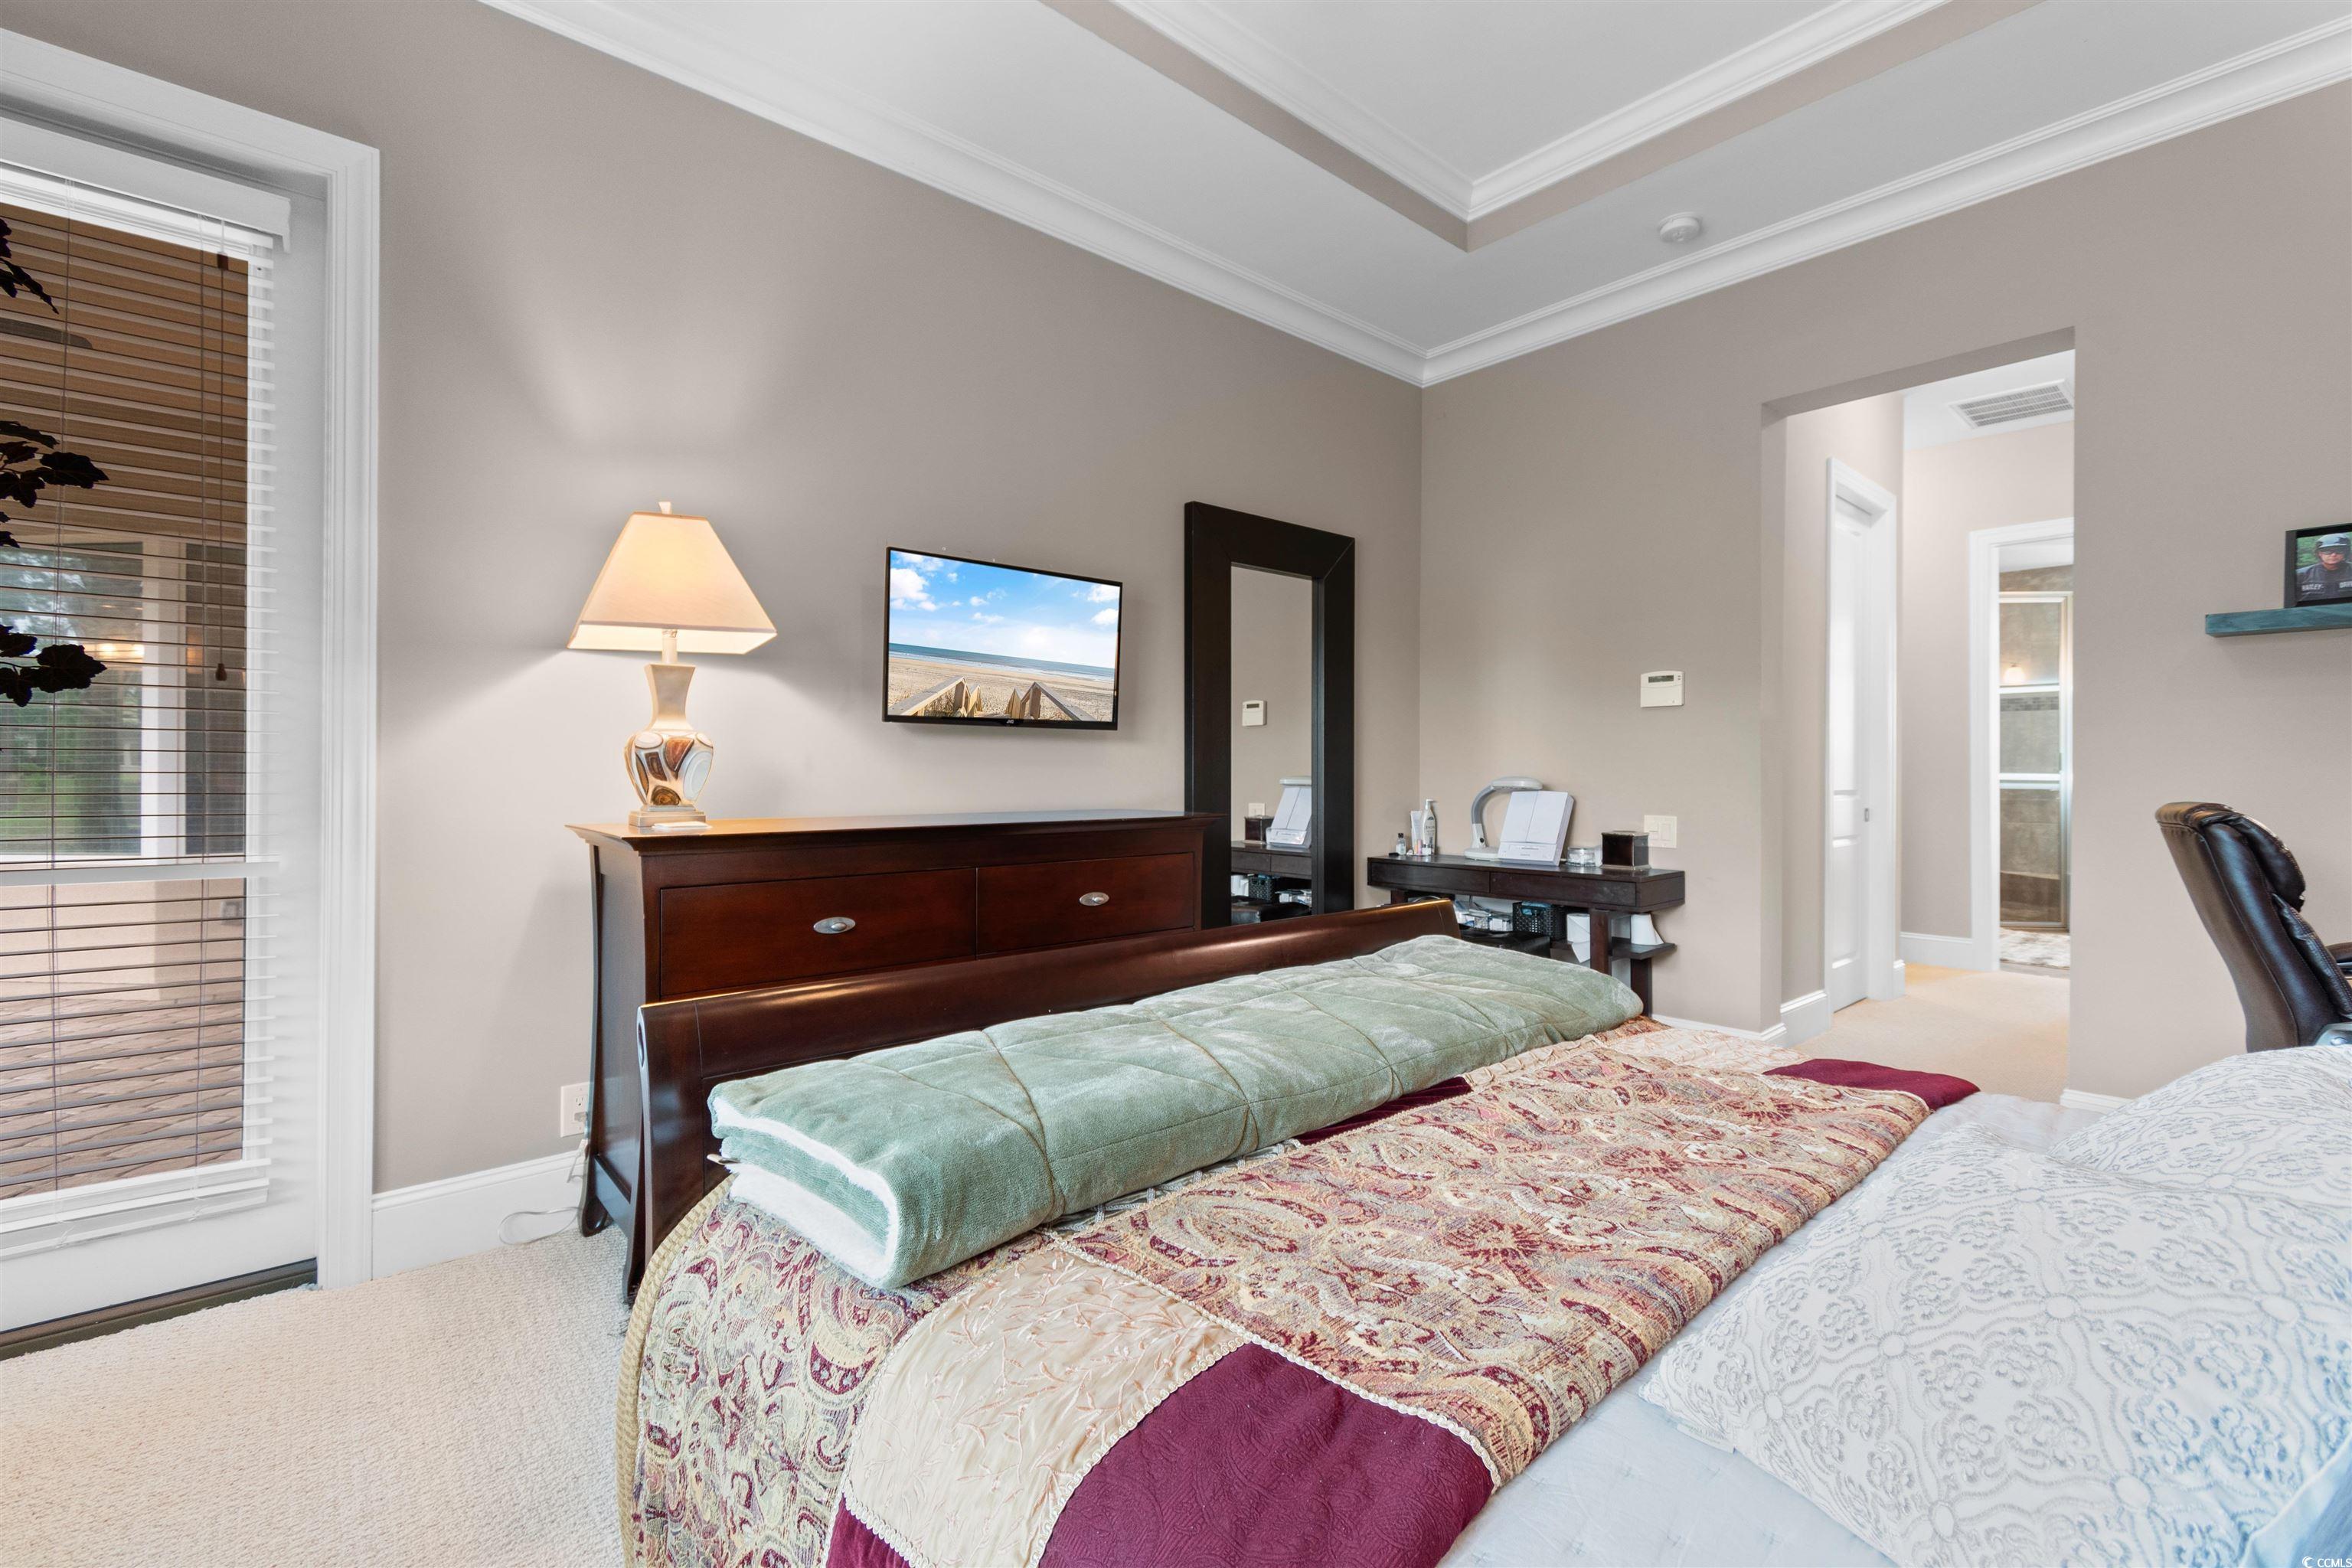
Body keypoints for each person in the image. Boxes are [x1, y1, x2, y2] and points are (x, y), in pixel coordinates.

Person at [2297, 532, 2352, 601]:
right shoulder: (2301, 575)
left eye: (2339, 550)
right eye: (2327, 551)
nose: (2333, 555)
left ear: (2346, 552)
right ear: (2319, 553)